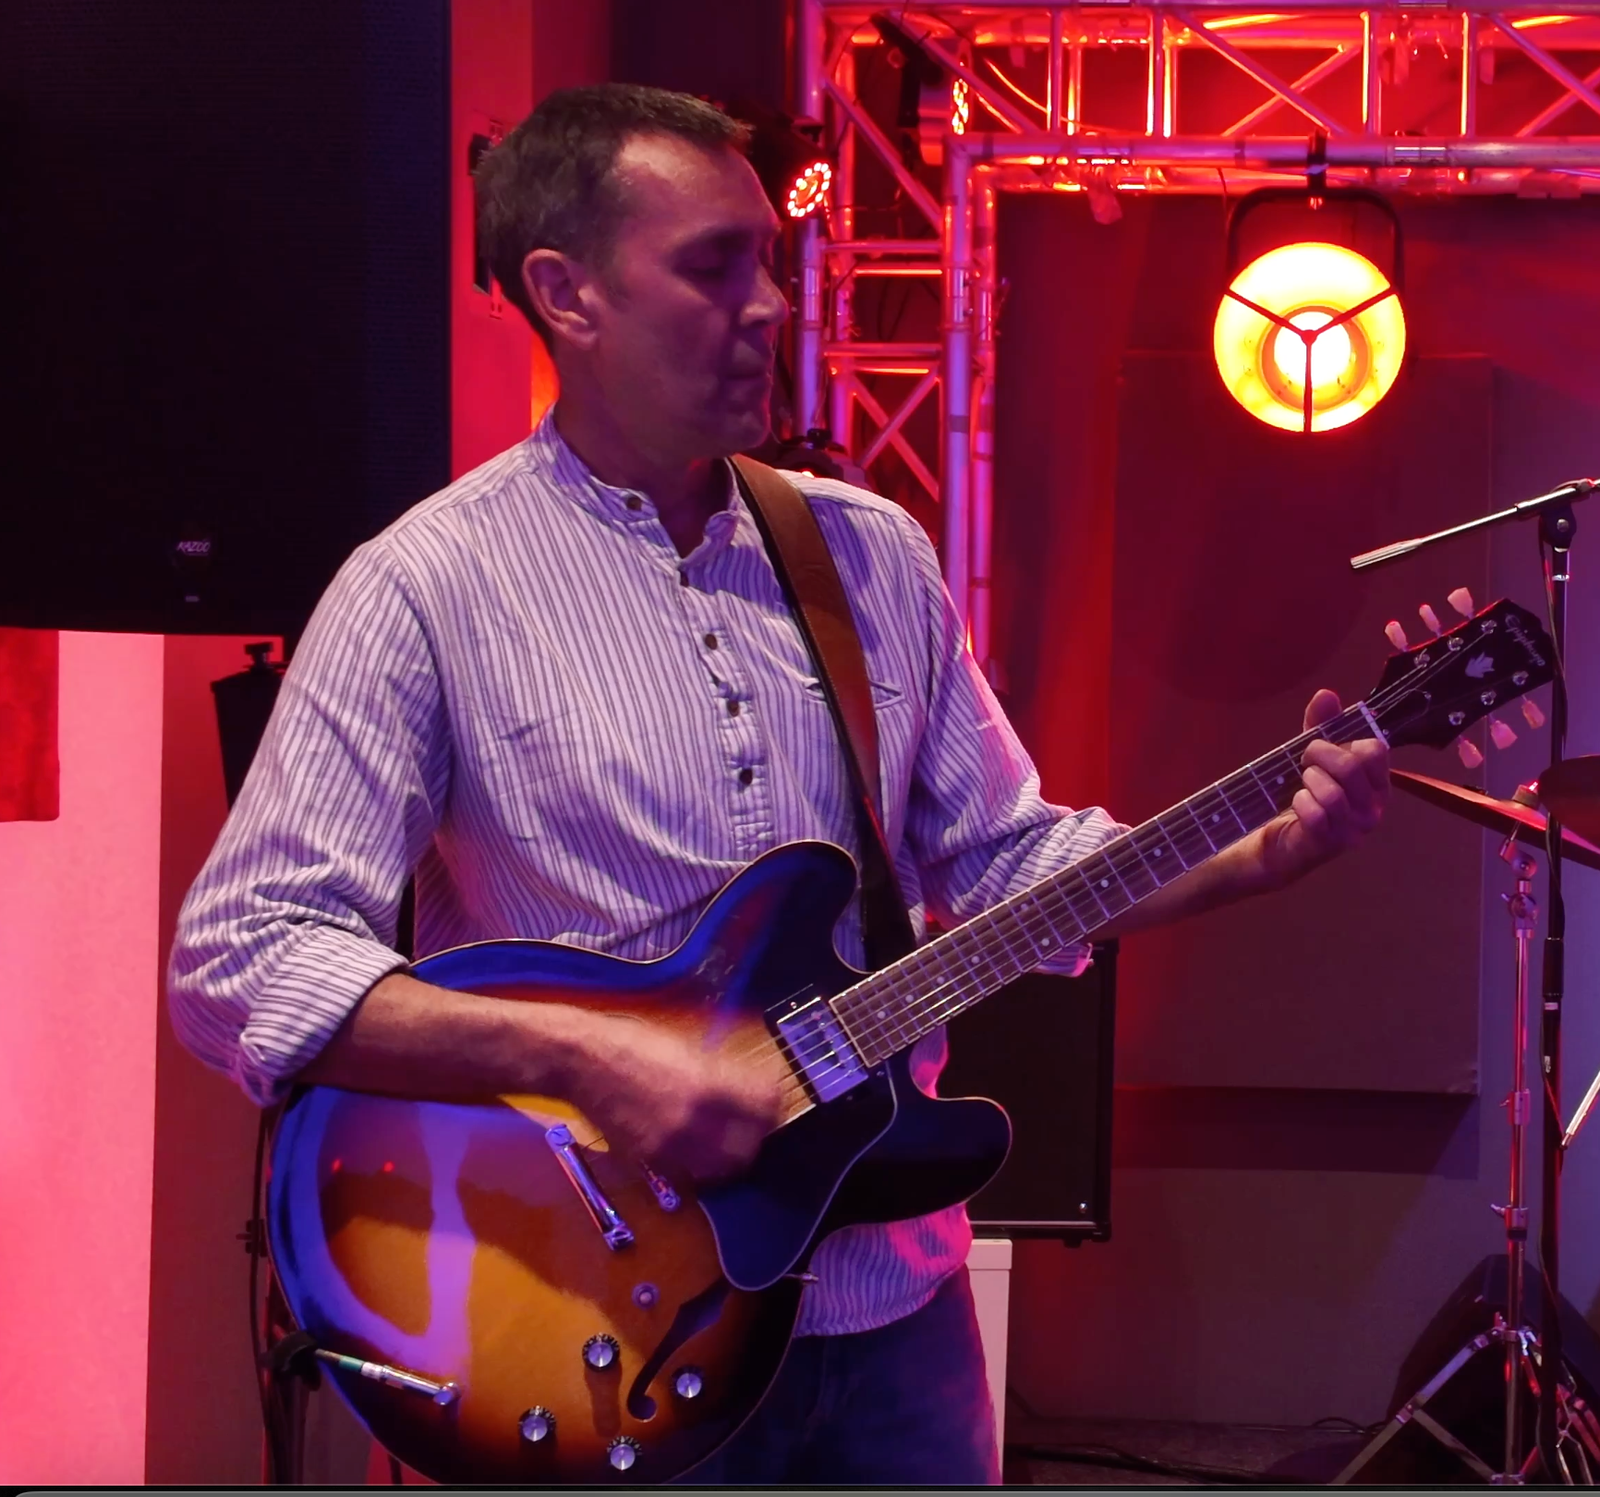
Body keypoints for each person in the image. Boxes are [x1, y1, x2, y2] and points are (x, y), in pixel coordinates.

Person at [168, 83, 1391, 1486]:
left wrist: (1255, 853)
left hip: (893, 1308)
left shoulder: (867, 553)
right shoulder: (423, 588)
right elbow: (240, 958)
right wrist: (582, 1058)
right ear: (566, 294)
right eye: (712, 267)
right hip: (600, 1332)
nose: (770, 306)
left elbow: (1000, 859)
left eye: (768, 260)